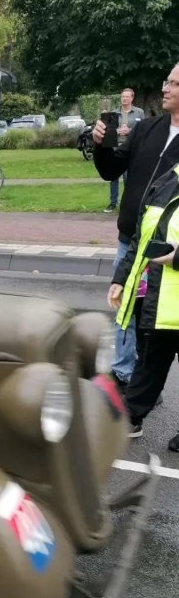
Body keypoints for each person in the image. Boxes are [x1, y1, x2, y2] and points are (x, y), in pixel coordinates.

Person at [94, 65, 179, 391]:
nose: (165, 88)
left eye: (174, 83)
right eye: (166, 81)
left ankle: (145, 385)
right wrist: (102, 146)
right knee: (124, 310)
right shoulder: (146, 128)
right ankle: (122, 375)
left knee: (153, 322)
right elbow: (111, 170)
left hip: (166, 251)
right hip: (130, 241)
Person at [108, 159, 179, 443]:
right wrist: (121, 278)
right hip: (157, 298)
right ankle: (131, 417)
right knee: (149, 361)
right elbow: (140, 240)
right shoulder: (167, 180)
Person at [104, 89, 144, 214]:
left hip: (130, 149)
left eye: (127, 96)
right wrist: (117, 131)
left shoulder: (139, 112)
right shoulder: (113, 113)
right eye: (122, 96)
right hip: (116, 148)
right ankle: (112, 203)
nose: (124, 99)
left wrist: (129, 131)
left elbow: (143, 130)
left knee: (128, 178)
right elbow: (108, 132)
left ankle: (127, 204)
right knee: (114, 178)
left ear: (132, 98)